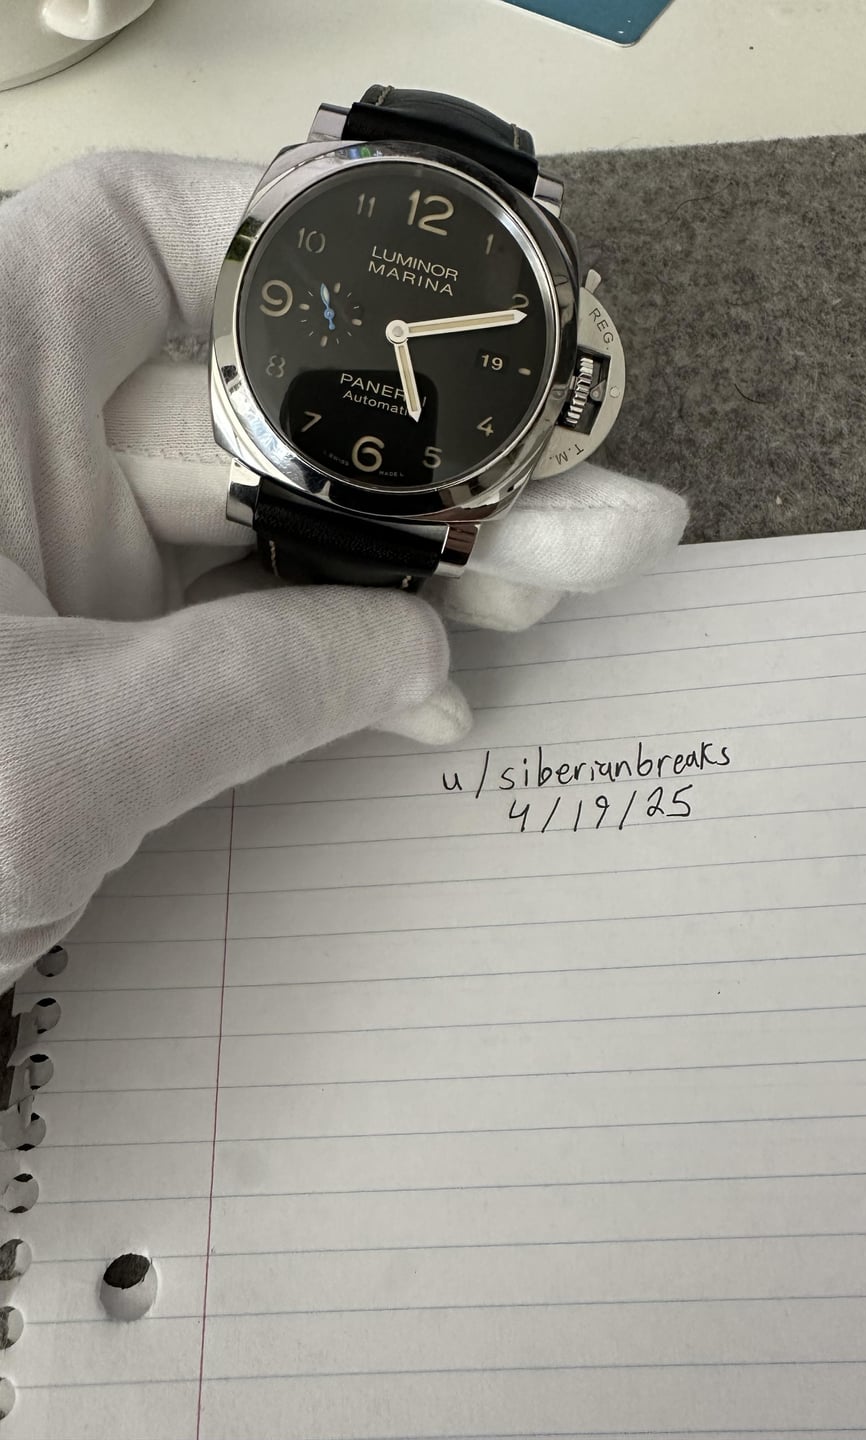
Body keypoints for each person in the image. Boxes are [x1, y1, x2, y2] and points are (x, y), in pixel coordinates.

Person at [0, 152, 687, 983]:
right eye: (387, 327)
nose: (395, 332)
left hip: (384, 468)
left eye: (404, 335)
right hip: (287, 447)